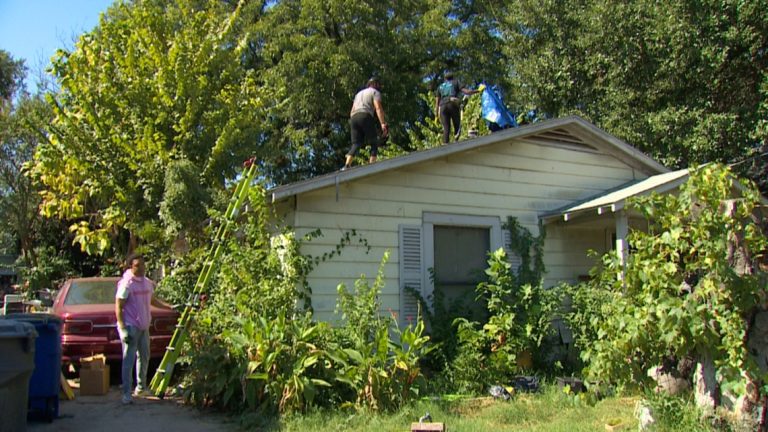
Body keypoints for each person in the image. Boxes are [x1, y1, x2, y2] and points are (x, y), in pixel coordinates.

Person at [115, 253, 172, 404]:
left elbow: (152, 300)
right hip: (131, 326)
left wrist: (169, 307)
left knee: (144, 356)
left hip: (144, 326)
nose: (141, 268)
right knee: (128, 360)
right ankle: (127, 394)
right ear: (130, 267)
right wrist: (122, 328)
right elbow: (119, 306)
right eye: (137, 265)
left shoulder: (147, 283)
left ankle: (141, 387)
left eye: (142, 265)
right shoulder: (127, 284)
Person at [342, 77, 389, 170]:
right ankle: (371, 166)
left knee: (356, 144)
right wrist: (383, 123)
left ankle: (346, 165)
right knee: (374, 142)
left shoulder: (358, 94)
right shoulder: (375, 92)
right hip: (365, 115)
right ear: (375, 85)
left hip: (354, 117)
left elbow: (352, 111)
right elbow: (378, 108)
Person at [435, 71, 483, 144]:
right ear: (453, 77)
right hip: (452, 103)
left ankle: (444, 148)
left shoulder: (440, 87)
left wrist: (436, 116)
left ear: (445, 79)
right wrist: (478, 90)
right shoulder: (456, 82)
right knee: (457, 126)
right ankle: (456, 143)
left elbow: (437, 102)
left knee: (446, 129)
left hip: (442, 107)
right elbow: (467, 92)